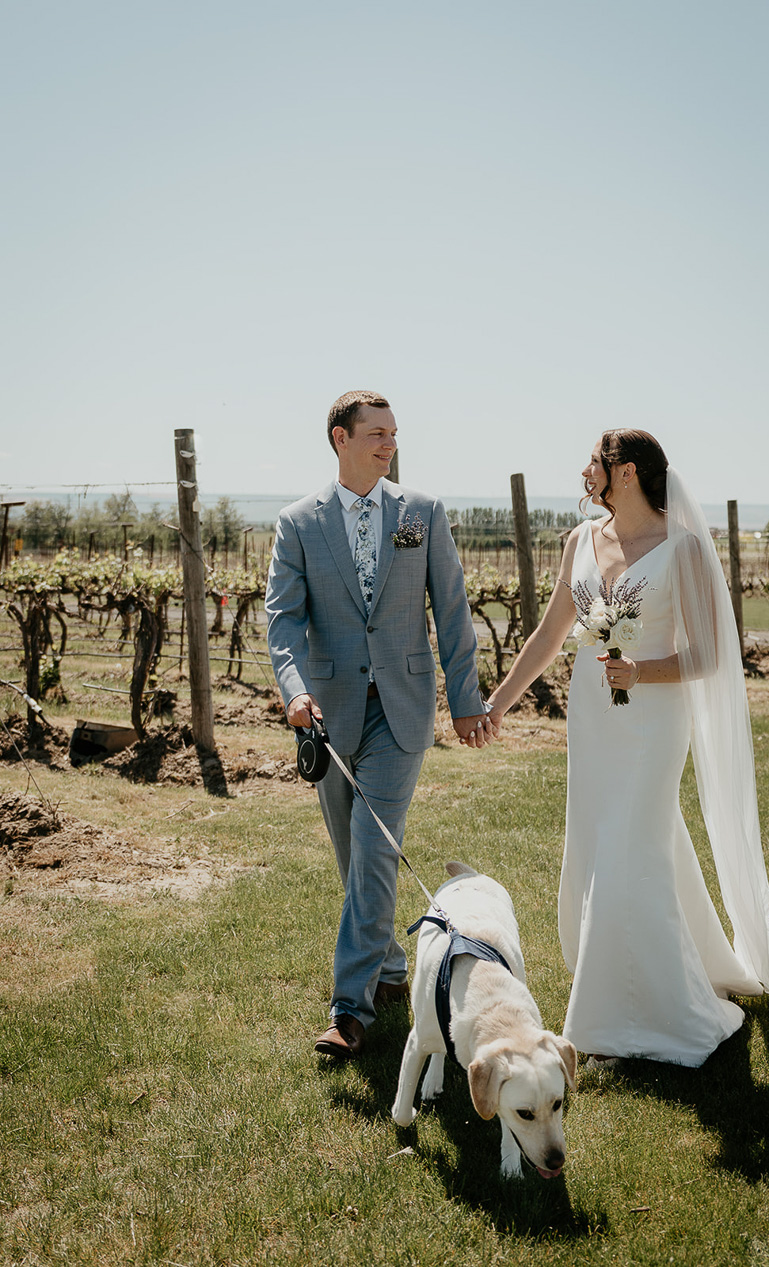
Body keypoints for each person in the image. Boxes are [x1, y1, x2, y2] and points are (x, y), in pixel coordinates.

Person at [487, 430, 769, 1068]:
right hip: (593, 717)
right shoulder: (581, 540)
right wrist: (498, 700)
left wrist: (640, 672)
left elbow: (712, 654)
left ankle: (621, 1019)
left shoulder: (682, 548)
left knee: (631, 845)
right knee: (605, 838)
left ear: (625, 472)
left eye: (594, 463)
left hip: (654, 718)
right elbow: (553, 631)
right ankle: (647, 972)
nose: (584, 472)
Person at [266, 389, 494, 1060]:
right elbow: (282, 617)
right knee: (353, 854)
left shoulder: (421, 512)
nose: (388, 442)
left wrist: (464, 698)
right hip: (327, 712)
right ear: (340, 438)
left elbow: (449, 609)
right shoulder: (297, 523)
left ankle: (348, 1009)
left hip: (402, 704)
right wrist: (294, 691)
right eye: (375, 432)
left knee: (371, 843)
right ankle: (391, 966)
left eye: (392, 432)